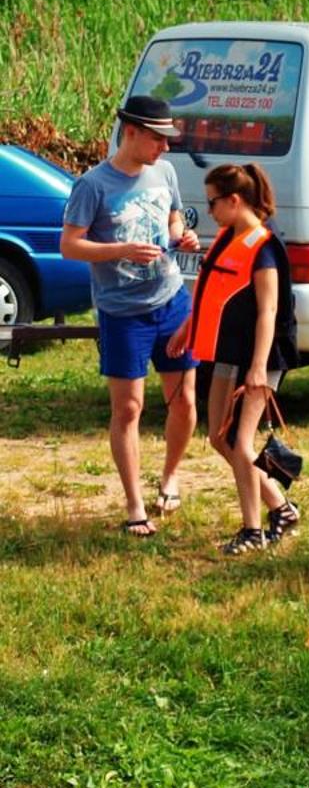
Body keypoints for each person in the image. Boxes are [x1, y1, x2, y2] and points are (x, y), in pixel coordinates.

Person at [58, 95, 201, 537]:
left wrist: (183, 237)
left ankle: (170, 476)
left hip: (171, 300)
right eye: (159, 139)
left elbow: (174, 219)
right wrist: (121, 250)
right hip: (123, 313)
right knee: (129, 408)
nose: (166, 148)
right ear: (132, 132)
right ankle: (135, 505)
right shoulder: (93, 185)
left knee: (185, 401)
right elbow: (70, 245)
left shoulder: (165, 172)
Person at [167, 163, 300, 556]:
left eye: (212, 203)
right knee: (218, 438)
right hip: (227, 352)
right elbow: (214, 289)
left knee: (241, 443)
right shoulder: (228, 236)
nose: (208, 212)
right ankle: (281, 508)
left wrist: (259, 368)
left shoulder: (264, 247)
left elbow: (268, 311)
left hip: (258, 358)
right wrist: (187, 328)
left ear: (234, 200)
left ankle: (252, 530)